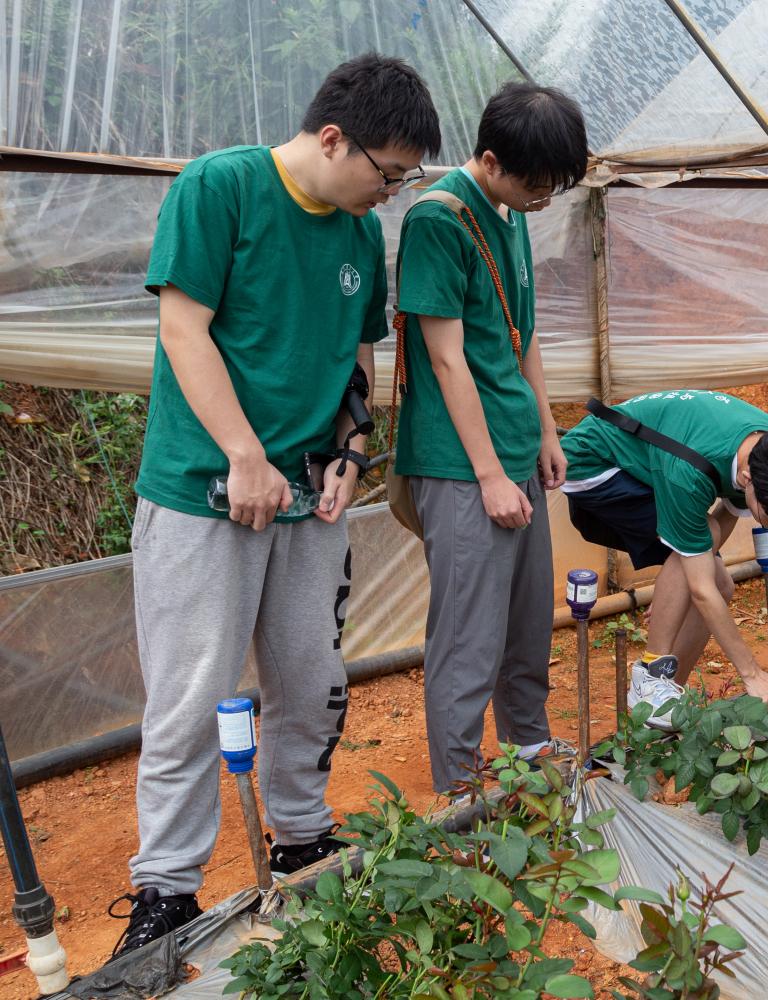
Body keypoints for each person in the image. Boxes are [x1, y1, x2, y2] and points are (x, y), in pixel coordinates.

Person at [115, 55, 442, 955]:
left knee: (310, 679)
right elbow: (182, 327)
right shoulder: (219, 187)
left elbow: (358, 359)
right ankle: (167, 892)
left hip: (307, 501)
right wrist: (245, 455)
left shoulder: (355, 236)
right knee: (192, 695)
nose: (390, 194)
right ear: (333, 138)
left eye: (404, 179)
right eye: (387, 174)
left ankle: (301, 835)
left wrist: (352, 452)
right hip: (202, 493)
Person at [393, 82, 588, 795]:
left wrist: (544, 429)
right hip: (461, 465)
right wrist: (488, 476)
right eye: (535, 186)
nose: (543, 200)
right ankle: (462, 786)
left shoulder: (509, 213)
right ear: (489, 158)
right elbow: (445, 358)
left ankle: (528, 747)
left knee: (527, 619)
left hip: (512, 452)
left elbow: (521, 336)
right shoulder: (439, 220)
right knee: (469, 634)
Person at [561, 390, 768, 725]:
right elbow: (700, 585)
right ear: (747, 479)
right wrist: (751, 674)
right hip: (596, 469)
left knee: (720, 583)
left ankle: (663, 701)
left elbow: (711, 555)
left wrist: (673, 587)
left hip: (649, 466)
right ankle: (650, 676)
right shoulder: (690, 471)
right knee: (704, 564)